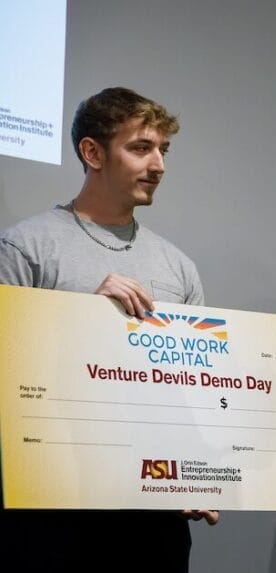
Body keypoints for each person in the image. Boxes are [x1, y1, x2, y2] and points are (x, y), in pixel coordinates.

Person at [0, 86, 218, 572]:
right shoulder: (25, 248)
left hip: (151, 514)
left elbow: (189, 388)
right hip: (54, 506)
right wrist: (84, 320)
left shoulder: (178, 268)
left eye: (163, 150)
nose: (158, 164)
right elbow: (7, 376)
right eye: (141, 148)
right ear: (92, 152)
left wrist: (197, 478)